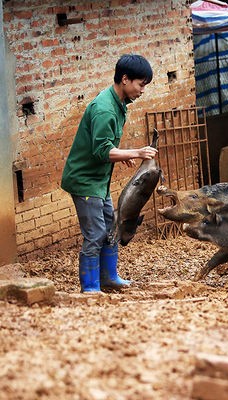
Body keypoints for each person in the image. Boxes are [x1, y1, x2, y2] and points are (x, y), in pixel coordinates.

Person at [61, 54, 157, 293]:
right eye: (140, 84)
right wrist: (135, 151)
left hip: (98, 181)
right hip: (85, 182)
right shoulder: (105, 109)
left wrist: (122, 154)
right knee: (94, 234)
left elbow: (106, 146)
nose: (142, 90)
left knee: (110, 226)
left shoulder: (118, 103)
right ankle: (90, 288)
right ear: (125, 79)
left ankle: (109, 277)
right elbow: (101, 150)